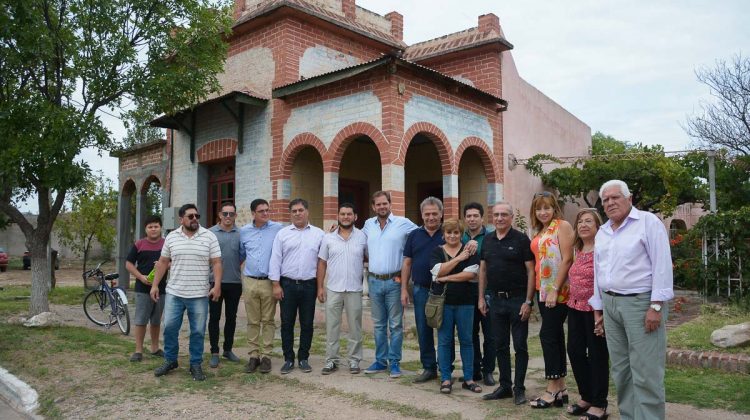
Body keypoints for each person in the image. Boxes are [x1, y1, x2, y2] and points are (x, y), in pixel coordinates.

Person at [589, 180, 673, 420]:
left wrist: (656, 305)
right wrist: (599, 307)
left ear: (630, 198)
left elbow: (662, 265)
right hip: (611, 304)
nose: (610, 203)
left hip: (641, 304)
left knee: (646, 372)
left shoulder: (648, 223)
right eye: (605, 200)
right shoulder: (604, 231)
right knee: (621, 370)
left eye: (615, 197)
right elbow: (599, 271)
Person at [151, 204, 222, 381]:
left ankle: (195, 364)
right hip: (175, 292)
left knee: (197, 331)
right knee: (169, 328)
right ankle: (170, 360)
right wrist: (154, 285)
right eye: (190, 216)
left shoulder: (209, 236)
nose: (195, 219)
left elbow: (217, 263)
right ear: (181, 219)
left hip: (199, 294)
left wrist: (217, 285)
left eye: (197, 216)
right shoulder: (171, 237)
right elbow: (162, 262)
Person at [479, 202, 535, 405]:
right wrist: (481, 298)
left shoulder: (521, 240)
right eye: (496, 215)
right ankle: (505, 386)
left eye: (504, 214)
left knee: (520, 345)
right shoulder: (487, 240)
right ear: (492, 217)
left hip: (518, 300)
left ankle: (519, 388)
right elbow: (483, 271)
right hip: (495, 300)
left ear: (511, 217)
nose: (500, 218)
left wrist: (529, 301)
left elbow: (531, 271)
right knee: (499, 345)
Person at [362, 191, 417, 378]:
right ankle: (380, 361)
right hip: (374, 281)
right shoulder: (368, 225)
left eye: (385, 203)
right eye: (378, 204)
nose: (382, 207)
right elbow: (357, 242)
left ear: (390, 204)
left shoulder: (403, 223)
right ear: (373, 207)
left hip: (395, 282)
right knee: (378, 325)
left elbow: (421, 235)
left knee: (395, 325)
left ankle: (394, 362)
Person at [528, 191, 575, 409]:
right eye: (539, 208)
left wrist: (555, 289)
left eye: (547, 207)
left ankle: (551, 389)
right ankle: (562, 387)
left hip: (558, 290)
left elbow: (567, 258)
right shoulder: (540, 230)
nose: (543, 212)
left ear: (554, 208)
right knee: (554, 335)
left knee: (547, 336)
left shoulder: (562, 225)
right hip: (543, 290)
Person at [270, 198, 325, 374]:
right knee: (287, 323)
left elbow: (321, 262)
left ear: (307, 212)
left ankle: (303, 358)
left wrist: (320, 287)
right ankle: (288, 359)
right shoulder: (283, 234)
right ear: (290, 213)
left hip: (309, 285)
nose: (297, 213)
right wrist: (276, 285)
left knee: (307, 323)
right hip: (287, 284)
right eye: (294, 211)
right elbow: (275, 259)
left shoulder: (319, 234)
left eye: (300, 210)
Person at [430, 219, 482, 394]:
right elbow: (437, 271)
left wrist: (446, 278)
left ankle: (468, 378)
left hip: (466, 303)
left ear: (461, 234)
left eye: (456, 233)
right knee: (444, 341)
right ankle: (445, 378)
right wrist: (459, 259)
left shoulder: (471, 250)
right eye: (449, 233)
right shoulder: (436, 251)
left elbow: (470, 274)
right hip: (443, 304)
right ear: (444, 234)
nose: (452, 236)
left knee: (467, 341)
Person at [567, 208, 609, 419]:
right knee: (574, 351)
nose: (583, 225)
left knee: (597, 356)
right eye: (580, 222)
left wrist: (600, 313)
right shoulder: (577, 250)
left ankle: (600, 403)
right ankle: (586, 396)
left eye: (588, 222)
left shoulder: (602, 249)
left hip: (594, 311)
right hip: (574, 307)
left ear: (597, 226)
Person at [316, 203, 368, 375]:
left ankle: (354, 361)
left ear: (355, 217)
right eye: (342, 214)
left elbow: (368, 258)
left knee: (355, 327)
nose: (345, 217)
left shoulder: (362, 237)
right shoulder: (328, 238)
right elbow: (322, 263)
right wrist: (320, 288)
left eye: (349, 214)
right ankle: (331, 361)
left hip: (354, 288)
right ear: (338, 216)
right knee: (332, 326)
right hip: (333, 289)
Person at [401, 197, 444, 383]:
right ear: (422, 215)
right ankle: (429, 367)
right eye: (427, 214)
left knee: (445, 329)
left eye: (435, 213)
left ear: (441, 214)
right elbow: (407, 262)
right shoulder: (414, 235)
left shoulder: (448, 233)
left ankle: (446, 368)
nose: (431, 217)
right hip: (420, 290)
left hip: (444, 290)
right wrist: (404, 288)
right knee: (423, 329)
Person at [239, 198, 283, 374]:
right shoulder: (244, 232)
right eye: (261, 211)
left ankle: (266, 356)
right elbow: (241, 254)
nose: (265, 213)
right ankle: (253, 356)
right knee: (253, 320)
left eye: (267, 210)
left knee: (268, 320)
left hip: (269, 282)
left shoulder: (277, 229)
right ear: (253, 214)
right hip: (249, 280)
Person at [207, 202, 245, 368]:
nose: (228, 217)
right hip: (215, 283)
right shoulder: (210, 233)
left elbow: (242, 256)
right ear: (219, 215)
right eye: (225, 214)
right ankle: (214, 352)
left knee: (231, 318)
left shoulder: (241, 234)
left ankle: (228, 349)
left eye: (231, 214)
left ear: (235, 216)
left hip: (235, 282)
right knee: (214, 318)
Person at [462, 202, 496, 386]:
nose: (472, 219)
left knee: (490, 334)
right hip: (467, 292)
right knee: (470, 334)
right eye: (469, 216)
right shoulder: (460, 237)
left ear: (482, 218)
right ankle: (474, 370)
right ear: (465, 218)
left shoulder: (490, 236)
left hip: (488, 292)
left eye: (475, 216)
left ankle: (488, 370)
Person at [126, 215, 166, 362]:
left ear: (160, 227)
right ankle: (138, 350)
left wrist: (163, 265)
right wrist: (140, 276)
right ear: (145, 229)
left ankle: (155, 348)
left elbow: (173, 262)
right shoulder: (139, 244)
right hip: (142, 289)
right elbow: (129, 264)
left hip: (161, 289)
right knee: (141, 320)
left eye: (156, 226)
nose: (153, 229)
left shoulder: (166, 244)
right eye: (150, 227)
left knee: (156, 320)